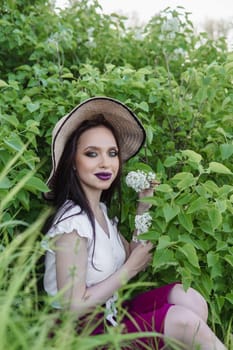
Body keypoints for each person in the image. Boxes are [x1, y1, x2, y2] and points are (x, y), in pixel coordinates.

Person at [42, 97, 226, 349]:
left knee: (190, 299)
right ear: (72, 162)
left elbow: (133, 253)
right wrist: (129, 270)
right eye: (91, 153)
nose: (105, 162)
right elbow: (73, 306)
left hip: (109, 316)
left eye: (112, 153)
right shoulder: (72, 224)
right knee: (182, 321)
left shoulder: (101, 212)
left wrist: (144, 204)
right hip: (78, 335)